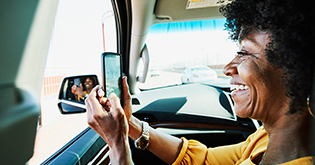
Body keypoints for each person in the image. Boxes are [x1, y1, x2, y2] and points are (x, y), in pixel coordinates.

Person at [85, 0, 315, 164]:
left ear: (294, 70)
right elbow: (204, 159)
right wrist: (130, 124)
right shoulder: (267, 137)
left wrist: (117, 145)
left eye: (245, 54)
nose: (227, 68)